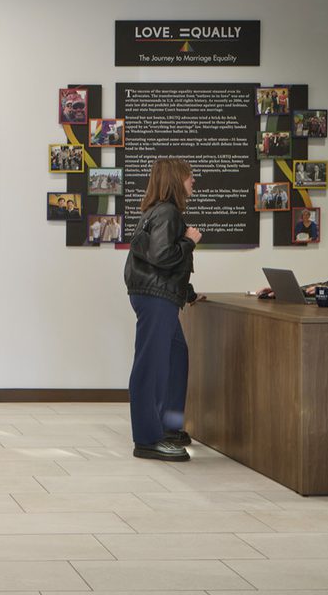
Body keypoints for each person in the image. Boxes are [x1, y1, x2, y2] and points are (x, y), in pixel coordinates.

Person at [124, 158, 204, 462]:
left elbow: (159, 261)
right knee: (152, 366)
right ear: (175, 180)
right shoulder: (168, 212)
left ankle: (169, 428)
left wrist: (187, 292)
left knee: (175, 358)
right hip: (156, 298)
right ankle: (147, 439)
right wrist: (189, 242)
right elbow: (162, 256)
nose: (193, 181)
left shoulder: (157, 211)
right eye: (189, 176)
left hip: (157, 295)